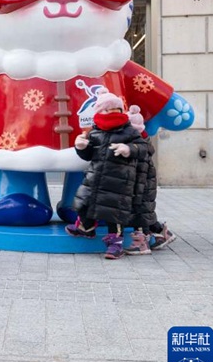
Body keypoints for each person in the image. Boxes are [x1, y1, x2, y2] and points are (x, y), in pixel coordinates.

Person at [66, 89, 146, 259]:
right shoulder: (94, 132)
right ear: (99, 111)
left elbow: (144, 148)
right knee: (85, 202)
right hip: (95, 177)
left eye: (115, 110)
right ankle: (85, 228)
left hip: (119, 181)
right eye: (107, 110)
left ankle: (115, 244)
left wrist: (128, 149)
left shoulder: (129, 131)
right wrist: (81, 147)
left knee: (114, 213)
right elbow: (88, 155)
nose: (112, 113)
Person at [124, 105, 177, 254]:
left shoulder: (137, 148)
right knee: (145, 216)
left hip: (141, 192)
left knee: (140, 218)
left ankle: (142, 245)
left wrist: (134, 194)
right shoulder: (144, 142)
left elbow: (139, 177)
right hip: (146, 192)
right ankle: (162, 232)